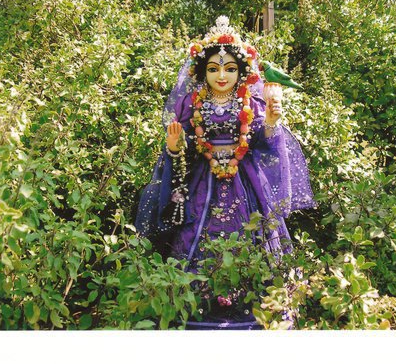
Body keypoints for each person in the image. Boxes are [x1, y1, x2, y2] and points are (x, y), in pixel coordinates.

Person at [135, 16, 316, 327]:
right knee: (195, 238)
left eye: (230, 69)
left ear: (241, 72)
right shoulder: (192, 104)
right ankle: (192, 305)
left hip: (245, 181)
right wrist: (175, 147)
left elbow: (261, 143)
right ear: (202, 72)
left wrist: (271, 123)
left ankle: (260, 308)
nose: (222, 75)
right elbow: (187, 146)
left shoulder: (251, 103)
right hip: (203, 181)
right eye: (213, 69)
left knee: (253, 237)